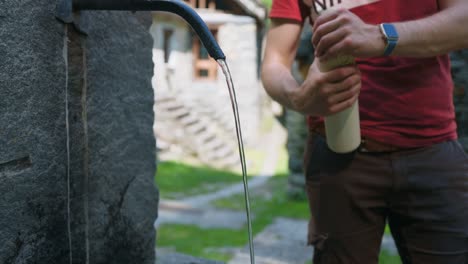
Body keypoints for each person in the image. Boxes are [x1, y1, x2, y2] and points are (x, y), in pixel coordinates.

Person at [261, 0, 468, 263]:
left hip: (432, 149)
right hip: (338, 152)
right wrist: (299, 98)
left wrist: (381, 36)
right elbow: (273, 64)